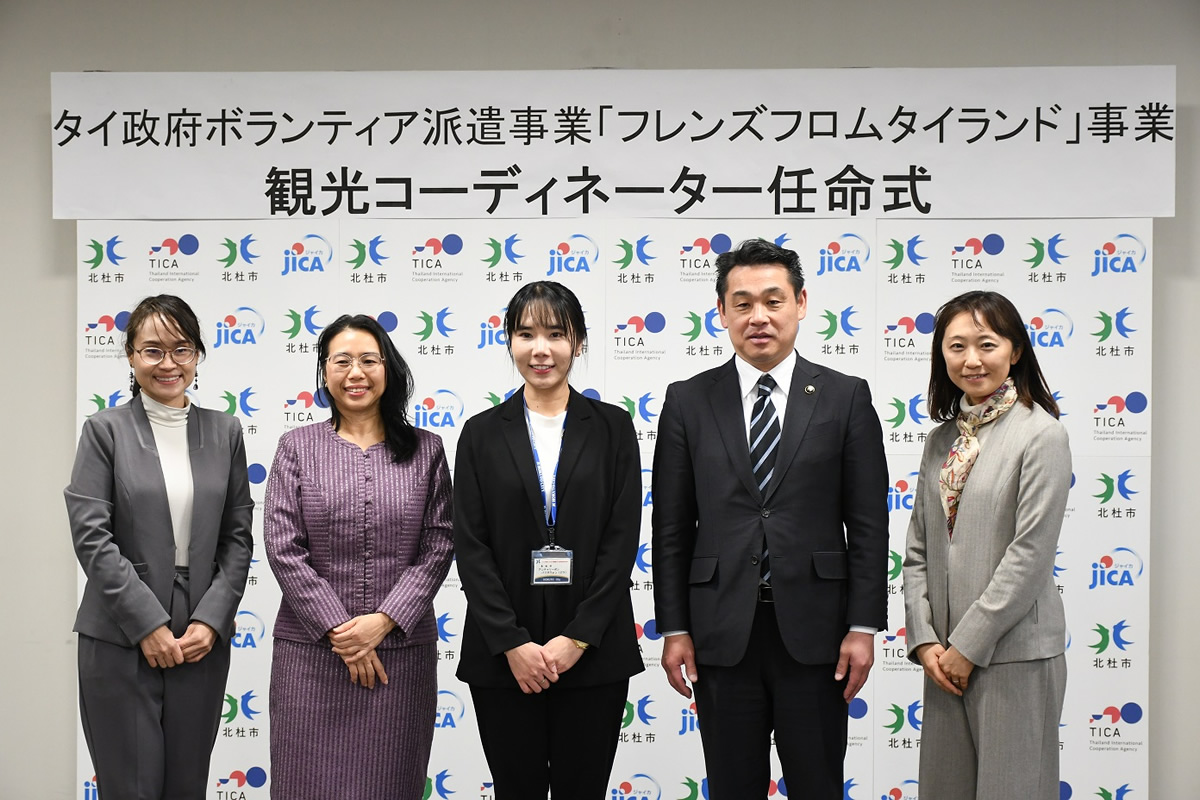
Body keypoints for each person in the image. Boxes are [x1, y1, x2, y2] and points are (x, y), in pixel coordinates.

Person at [652, 238, 889, 799]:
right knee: (732, 786)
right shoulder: (688, 400)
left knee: (817, 784)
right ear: (721, 312)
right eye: (742, 303)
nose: (758, 316)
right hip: (720, 631)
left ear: (801, 304)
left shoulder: (845, 397)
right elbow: (671, 527)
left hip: (818, 633)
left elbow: (868, 524)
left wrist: (862, 626)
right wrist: (675, 627)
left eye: (773, 301)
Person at [453, 281, 644, 800]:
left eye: (556, 334)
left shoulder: (613, 427)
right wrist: (512, 642)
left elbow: (621, 540)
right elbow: (471, 546)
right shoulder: (480, 433)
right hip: (503, 657)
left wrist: (577, 638)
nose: (541, 349)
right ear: (509, 342)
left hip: (594, 651)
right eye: (526, 334)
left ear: (578, 341)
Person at [65, 295, 254, 800]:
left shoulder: (226, 431)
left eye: (181, 349)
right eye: (152, 350)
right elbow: (92, 536)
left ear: (197, 355)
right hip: (119, 632)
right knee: (131, 788)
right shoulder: (104, 431)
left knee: (187, 787)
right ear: (131, 356)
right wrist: (147, 624)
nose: (168, 363)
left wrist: (211, 621)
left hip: (200, 636)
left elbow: (238, 537)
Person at [264, 314, 453, 800]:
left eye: (369, 360)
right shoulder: (296, 448)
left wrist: (383, 622)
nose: (356, 373)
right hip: (311, 658)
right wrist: (342, 632)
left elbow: (439, 543)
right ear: (324, 372)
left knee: (391, 785)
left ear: (388, 368)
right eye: (342, 361)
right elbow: (283, 546)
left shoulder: (427, 450)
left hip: (400, 658)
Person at [903, 291, 1070, 800]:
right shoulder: (941, 440)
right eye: (956, 346)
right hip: (943, 659)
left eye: (986, 344)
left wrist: (968, 647)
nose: (971, 359)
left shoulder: (1041, 434)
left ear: (1015, 351)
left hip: (1013, 654)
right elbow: (918, 549)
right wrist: (926, 640)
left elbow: (1029, 555)